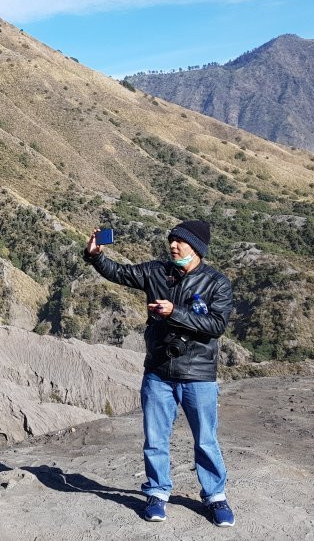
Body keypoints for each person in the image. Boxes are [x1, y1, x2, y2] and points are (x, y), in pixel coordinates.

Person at [84, 219, 235, 527]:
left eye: (180, 241)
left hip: (198, 374)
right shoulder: (156, 272)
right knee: (155, 438)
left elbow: (216, 326)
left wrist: (175, 312)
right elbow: (120, 273)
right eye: (171, 240)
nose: (173, 245)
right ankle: (157, 492)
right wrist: (96, 255)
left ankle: (215, 497)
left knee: (205, 439)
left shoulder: (216, 283)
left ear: (197, 248)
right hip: (158, 371)